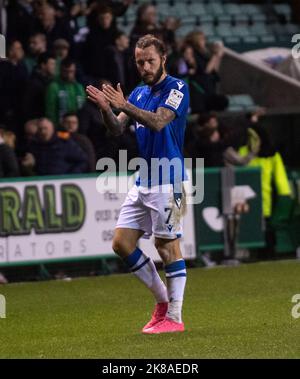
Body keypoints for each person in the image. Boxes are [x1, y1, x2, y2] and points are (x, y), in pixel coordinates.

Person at [86, 34, 189, 334]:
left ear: (164, 58)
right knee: (121, 243)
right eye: (139, 61)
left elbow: (158, 121)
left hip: (170, 180)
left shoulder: (177, 88)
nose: (144, 66)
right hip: (144, 179)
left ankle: (176, 317)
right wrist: (107, 108)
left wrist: (123, 105)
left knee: (167, 246)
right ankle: (161, 304)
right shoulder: (138, 93)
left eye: (150, 61)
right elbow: (117, 129)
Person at [45, 57, 86, 127]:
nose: (69, 75)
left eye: (71, 71)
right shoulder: (53, 87)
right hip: (59, 125)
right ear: (61, 70)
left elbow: (84, 107)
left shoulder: (79, 87)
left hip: (77, 125)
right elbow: (50, 111)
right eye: (66, 71)